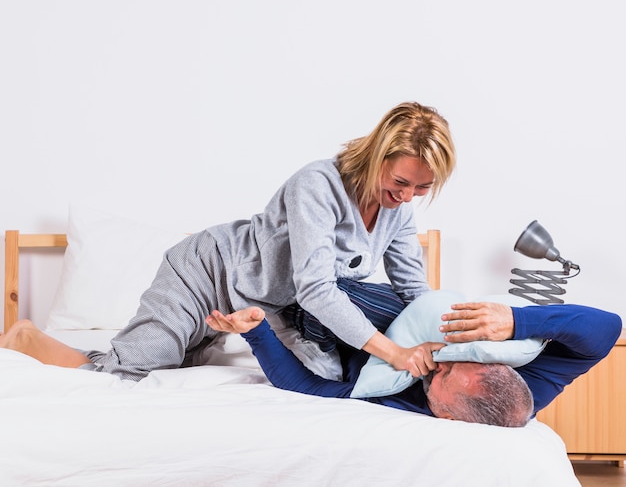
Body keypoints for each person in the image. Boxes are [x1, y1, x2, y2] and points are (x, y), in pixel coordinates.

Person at [0, 102, 456, 382]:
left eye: (420, 189)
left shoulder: (398, 211)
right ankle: (26, 336)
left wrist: (452, 340)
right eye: (400, 181)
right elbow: (317, 289)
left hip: (256, 308)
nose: (406, 196)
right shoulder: (318, 185)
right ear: (378, 154)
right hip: (205, 272)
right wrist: (394, 351)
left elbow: (413, 290)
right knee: (130, 369)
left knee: (186, 365)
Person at [205, 298, 622, 428]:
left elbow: (308, 389)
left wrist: (256, 329)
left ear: (446, 414)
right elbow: (606, 328)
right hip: (405, 311)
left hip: (350, 339)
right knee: (333, 297)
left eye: (445, 376)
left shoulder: (402, 405)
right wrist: (516, 320)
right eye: (461, 362)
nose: (442, 361)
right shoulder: (534, 382)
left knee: (316, 313)